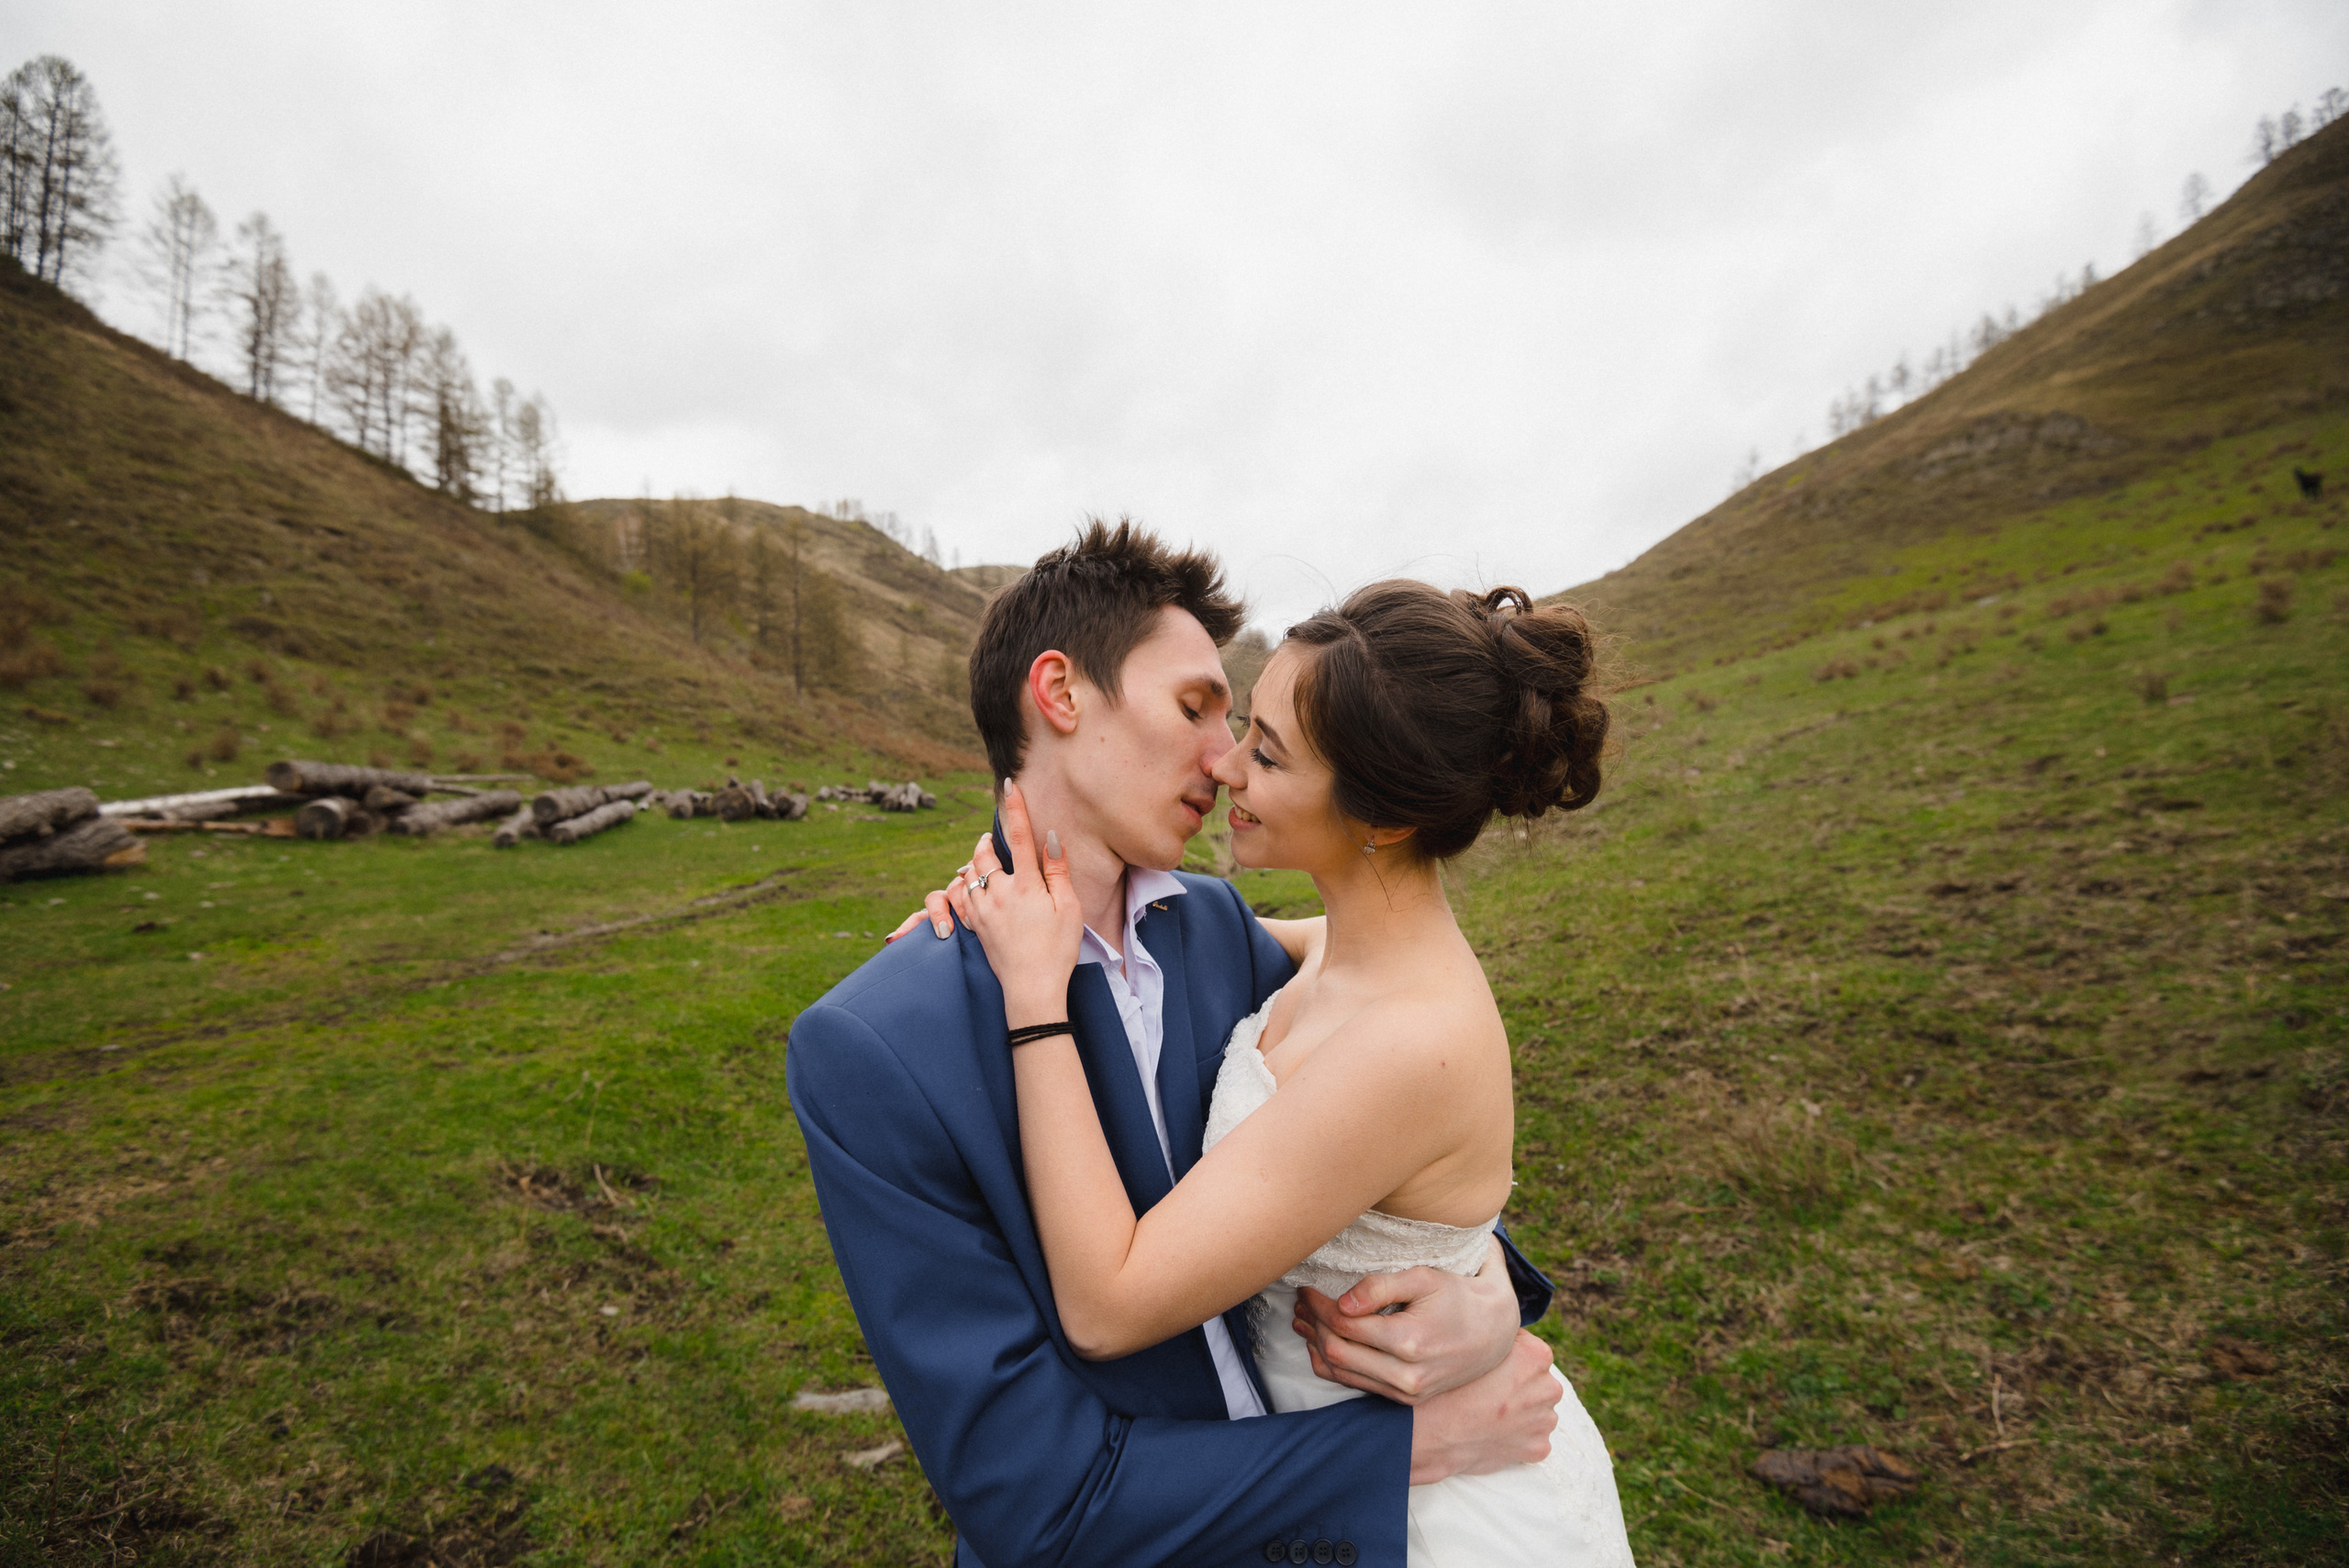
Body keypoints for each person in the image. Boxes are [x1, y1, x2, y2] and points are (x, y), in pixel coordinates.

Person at [786, 523, 1566, 1568]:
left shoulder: (1223, 933)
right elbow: (1035, 1503)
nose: (1223, 758)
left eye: (1243, 726)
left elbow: (1395, 1126)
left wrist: (1487, 1295)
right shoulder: (877, 1044)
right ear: (1059, 695)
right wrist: (1392, 1446)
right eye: (1197, 707)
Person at [942, 578, 1635, 1564]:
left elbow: (1107, 1304)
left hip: (1439, 1514)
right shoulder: (1344, 948)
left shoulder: (1408, 1038)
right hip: (1334, 1485)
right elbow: (1136, 947)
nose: (1223, 765)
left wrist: (1034, 1003)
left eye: (1265, 752)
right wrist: (991, 890)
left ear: (1383, 815)